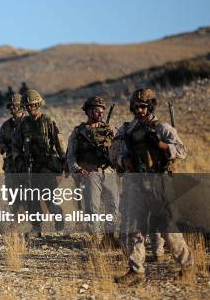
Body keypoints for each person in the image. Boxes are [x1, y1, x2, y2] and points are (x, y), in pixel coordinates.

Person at [114, 89, 193, 285]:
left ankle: (187, 267)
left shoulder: (163, 129)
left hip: (159, 183)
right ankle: (136, 271)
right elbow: (115, 152)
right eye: (136, 106)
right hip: (136, 183)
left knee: (168, 228)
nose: (139, 110)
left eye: (143, 106)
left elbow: (182, 151)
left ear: (150, 106)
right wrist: (123, 160)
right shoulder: (127, 130)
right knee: (134, 227)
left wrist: (163, 146)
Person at [66, 96, 119, 246]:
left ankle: (110, 237)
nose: (100, 113)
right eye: (97, 110)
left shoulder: (110, 131)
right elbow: (70, 156)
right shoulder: (78, 132)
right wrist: (78, 170)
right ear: (88, 112)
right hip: (90, 174)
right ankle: (95, 239)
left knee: (113, 205)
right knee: (92, 208)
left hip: (108, 172)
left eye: (102, 111)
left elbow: (120, 151)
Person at [12, 90, 65, 236]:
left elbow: (59, 143)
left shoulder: (48, 121)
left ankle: (58, 214)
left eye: (33, 105)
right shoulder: (23, 124)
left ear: (38, 104)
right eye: (27, 106)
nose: (30, 108)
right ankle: (36, 228)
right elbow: (16, 144)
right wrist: (19, 159)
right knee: (32, 198)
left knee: (48, 197)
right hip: (31, 166)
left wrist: (64, 160)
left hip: (47, 165)